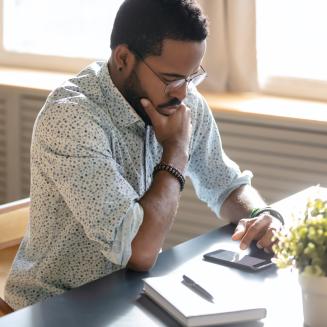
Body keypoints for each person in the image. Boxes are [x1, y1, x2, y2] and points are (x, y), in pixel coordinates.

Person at [5, 0, 284, 310]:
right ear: (123, 58)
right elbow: (139, 251)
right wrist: (175, 151)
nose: (183, 93)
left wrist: (261, 216)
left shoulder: (181, 97)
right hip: (53, 305)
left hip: (129, 296)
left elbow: (226, 183)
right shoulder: (71, 118)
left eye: (192, 77)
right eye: (171, 79)